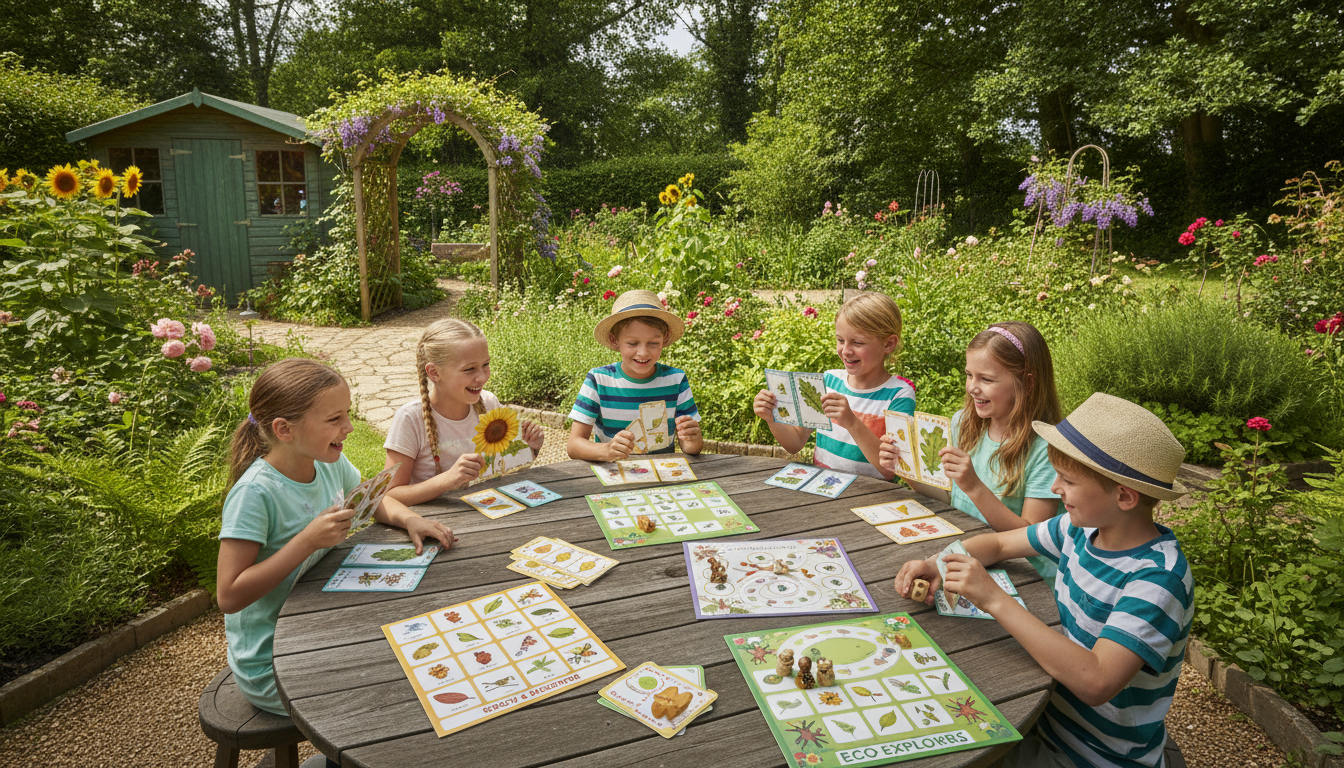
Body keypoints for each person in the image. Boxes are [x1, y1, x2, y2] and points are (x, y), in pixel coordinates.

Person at [895, 393, 1193, 768]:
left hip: (1093, 757)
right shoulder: (1079, 528)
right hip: (1045, 718)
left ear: (1124, 496)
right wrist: (938, 563)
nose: (1054, 488)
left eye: (1067, 479)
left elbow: (1097, 681)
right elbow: (1000, 543)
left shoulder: (1158, 579)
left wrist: (994, 599)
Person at [216, 359, 456, 718]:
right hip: (273, 662)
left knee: (420, 647)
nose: (349, 427)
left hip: (320, 620)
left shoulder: (328, 463)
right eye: (334, 419)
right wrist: (307, 541)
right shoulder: (254, 494)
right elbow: (229, 595)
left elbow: (371, 499)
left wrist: (409, 519)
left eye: (348, 414)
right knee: (396, 688)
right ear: (284, 429)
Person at [881, 321, 1062, 579]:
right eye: (969, 375)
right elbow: (950, 497)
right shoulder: (964, 423)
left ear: (1027, 383)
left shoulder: (1046, 449)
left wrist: (974, 486)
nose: (972, 387)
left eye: (986, 379)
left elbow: (1032, 539)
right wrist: (905, 469)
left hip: (1025, 575)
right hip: (966, 553)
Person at [753, 293, 914, 478]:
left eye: (858, 342)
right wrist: (772, 418)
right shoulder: (829, 381)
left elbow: (890, 469)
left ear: (888, 344)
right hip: (823, 487)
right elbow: (795, 443)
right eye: (840, 340)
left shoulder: (899, 394)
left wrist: (852, 423)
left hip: (871, 494)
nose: (846, 351)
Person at [384, 318, 544, 504]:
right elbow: (388, 495)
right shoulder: (410, 419)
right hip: (436, 519)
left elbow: (505, 471)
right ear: (434, 373)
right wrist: (447, 480)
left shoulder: (489, 403)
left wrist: (529, 449)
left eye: (486, 365)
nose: (482, 377)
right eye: (469, 369)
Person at [567, 289, 703, 460]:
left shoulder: (676, 380)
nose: (643, 352)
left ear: (664, 338)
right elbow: (574, 445)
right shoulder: (598, 380)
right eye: (632, 343)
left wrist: (693, 439)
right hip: (614, 472)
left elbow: (691, 448)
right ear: (615, 340)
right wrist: (607, 450)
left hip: (662, 474)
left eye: (653, 343)